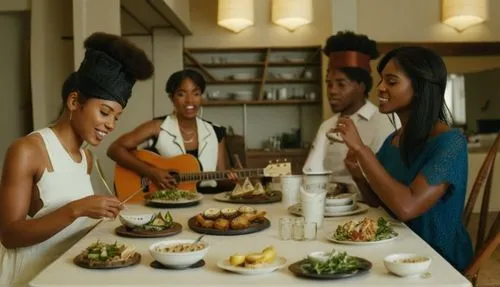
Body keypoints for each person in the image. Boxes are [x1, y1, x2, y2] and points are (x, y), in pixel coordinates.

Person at [0, 32, 154, 287]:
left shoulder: (87, 158)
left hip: (69, 275)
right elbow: (9, 235)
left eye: (116, 117)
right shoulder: (28, 150)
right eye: (104, 112)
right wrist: (78, 209)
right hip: (30, 278)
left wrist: (101, 210)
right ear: (74, 102)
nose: (111, 124)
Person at [335, 46, 473, 271]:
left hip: (436, 259)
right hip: (397, 249)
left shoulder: (451, 142)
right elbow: (380, 203)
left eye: (391, 81)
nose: (379, 88)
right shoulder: (394, 139)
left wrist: (362, 150)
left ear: (419, 88)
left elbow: (406, 207)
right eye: (381, 80)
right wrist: (359, 176)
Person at [107, 69, 232, 193]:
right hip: (166, 201)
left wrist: (233, 179)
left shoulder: (216, 132)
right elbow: (115, 149)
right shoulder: (156, 127)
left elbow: (220, 178)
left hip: (206, 203)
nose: (190, 101)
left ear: (201, 97)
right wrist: (151, 172)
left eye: (196, 93)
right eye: (181, 94)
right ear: (172, 98)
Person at [303, 31, 397, 187]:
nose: (332, 90)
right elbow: (310, 174)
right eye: (329, 83)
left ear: (361, 87)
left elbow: (390, 182)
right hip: (328, 206)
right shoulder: (327, 126)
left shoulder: (385, 123)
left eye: (341, 84)